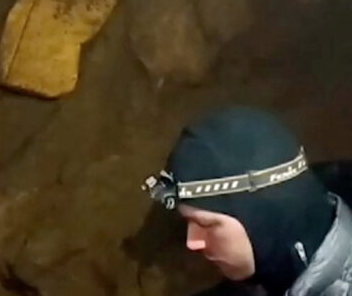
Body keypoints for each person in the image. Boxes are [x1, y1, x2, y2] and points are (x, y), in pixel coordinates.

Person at [142, 106, 352, 296]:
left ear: (266, 217)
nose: (192, 242)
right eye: (188, 222)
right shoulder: (270, 279)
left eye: (207, 224)